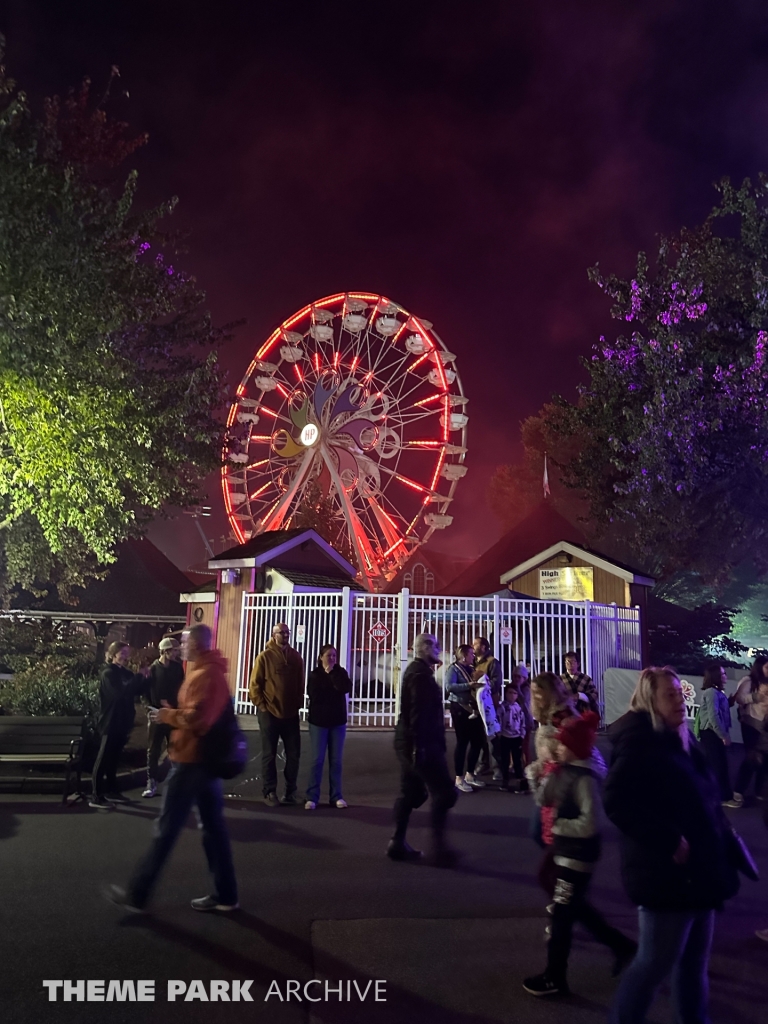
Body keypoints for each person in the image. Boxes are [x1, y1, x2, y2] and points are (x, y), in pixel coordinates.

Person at [604, 666, 739, 1024]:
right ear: (650, 700)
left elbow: (702, 797)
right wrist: (668, 840)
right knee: (652, 966)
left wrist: (722, 835)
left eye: (681, 693)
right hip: (666, 874)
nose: (680, 700)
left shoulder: (681, 740)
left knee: (693, 966)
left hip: (699, 872)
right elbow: (617, 801)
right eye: (670, 695)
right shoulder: (640, 744)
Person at [105, 624, 239, 913]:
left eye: (185, 642)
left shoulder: (206, 674)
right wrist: (173, 711)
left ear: (198, 645)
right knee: (213, 829)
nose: (181, 646)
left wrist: (167, 714)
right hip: (201, 761)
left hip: (192, 761)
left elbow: (199, 719)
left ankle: (137, 894)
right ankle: (226, 895)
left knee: (166, 829)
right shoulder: (203, 670)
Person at [523, 711, 637, 998]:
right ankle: (623, 947)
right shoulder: (566, 772)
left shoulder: (585, 779)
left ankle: (555, 976)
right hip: (566, 853)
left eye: (562, 744)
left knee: (563, 914)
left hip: (577, 856)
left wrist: (560, 825)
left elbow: (590, 823)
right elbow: (543, 799)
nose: (557, 747)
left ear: (575, 748)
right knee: (575, 908)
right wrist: (541, 777)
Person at [388, 633, 458, 867]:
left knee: (412, 792)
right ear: (425, 648)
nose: (439, 649)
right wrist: (420, 748)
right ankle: (439, 848)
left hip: (412, 744)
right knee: (445, 793)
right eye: (435, 646)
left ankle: (397, 842)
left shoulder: (418, 672)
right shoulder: (419, 675)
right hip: (422, 745)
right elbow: (418, 714)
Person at [526, 672, 578, 896]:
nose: (536, 697)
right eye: (533, 693)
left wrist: (553, 759)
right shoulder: (549, 716)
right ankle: (567, 894)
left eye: (540, 692)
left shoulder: (563, 717)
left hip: (563, 790)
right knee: (540, 834)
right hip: (550, 785)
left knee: (547, 839)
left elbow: (576, 752)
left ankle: (566, 899)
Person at [249, 622, 304, 806]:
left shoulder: (296, 657)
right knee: (269, 754)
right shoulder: (264, 657)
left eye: (287, 632)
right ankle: (269, 792)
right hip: (269, 713)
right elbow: (255, 685)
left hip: (290, 714)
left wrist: (297, 702)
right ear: (274, 635)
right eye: (282, 632)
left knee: (294, 754)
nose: (286, 635)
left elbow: (300, 683)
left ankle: (290, 792)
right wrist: (262, 706)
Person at [90, 642, 146, 810]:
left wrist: (145, 678)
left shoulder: (127, 673)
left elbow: (135, 691)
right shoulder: (108, 674)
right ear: (113, 654)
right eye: (122, 653)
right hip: (110, 720)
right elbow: (119, 694)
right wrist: (137, 678)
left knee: (114, 758)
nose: (125, 656)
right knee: (103, 757)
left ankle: (112, 790)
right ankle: (96, 795)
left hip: (124, 721)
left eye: (127, 653)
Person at [305, 644, 351, 810]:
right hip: (319, 722)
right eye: (328, 655)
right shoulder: (315, 674)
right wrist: (328, 682)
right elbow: (315, 695)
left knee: (336, 761)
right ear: (321, 657)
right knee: (317, 760)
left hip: (337, 722)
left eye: (334, 656)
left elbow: (344, 688)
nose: (331, 659)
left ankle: (336, 796)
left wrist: (332, 676)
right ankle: (312, 797)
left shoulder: (340, 673)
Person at [142, 636, 184, 798]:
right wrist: (149, 709)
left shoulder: (177, 668)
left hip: (173, 714)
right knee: (153, 750)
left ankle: (177, 783)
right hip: (157, 714)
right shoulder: (152, 670)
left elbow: (182, 689)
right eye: (174, 650)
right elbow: (144, 693)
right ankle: (151, 781)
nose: (176, 653)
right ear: (165, 651)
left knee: (175, 749)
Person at [697, 661, 740, 808]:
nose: (725, 676)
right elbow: (713, 716)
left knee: (718, 764)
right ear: (716, 676)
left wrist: (730, 701)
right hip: (711, 733)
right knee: (718, 765)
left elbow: (720, 710)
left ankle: (720, 795)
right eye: (722, 673)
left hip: (712, 732)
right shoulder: (711, 693)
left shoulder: (716, 692)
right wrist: (722, 735)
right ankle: (722, 798)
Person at [445, 644, 485, 792]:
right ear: (463, 656)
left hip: (472, 708)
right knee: (462, 742)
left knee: (477, 741)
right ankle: (458, 778)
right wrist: (468, 685)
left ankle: (470, 773)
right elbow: (450, 686)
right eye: (470, 654)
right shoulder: (453, 669)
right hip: (460, 708)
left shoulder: (470, 669)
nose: (473, 657)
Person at [733, 655, 768, 804]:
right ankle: (738, 791)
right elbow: (739, 698)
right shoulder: (748, 681)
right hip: (751, 725)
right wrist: (755, 697)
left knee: (765, 758)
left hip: (765, 724)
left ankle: (758, 790)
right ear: (759, 667)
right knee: (752, 758)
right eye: (767, 667)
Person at [473, 636, 504, 778]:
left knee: (492, 736)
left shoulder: (492, 663)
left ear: (484, 647)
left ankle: (497, 767)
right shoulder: (472, 662)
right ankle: (483, 764)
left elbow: (496, 682)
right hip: (476, 704)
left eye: (476, 644)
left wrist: (482, 687)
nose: (473, 646)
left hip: (490, 704)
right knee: (479, 736)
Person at [494, 682, 528, 791]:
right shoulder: (502, 708)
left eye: (515, 693)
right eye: (510, 693)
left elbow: (522, 722)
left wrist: (522, 734)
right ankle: (505, 780)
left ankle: (520, 780)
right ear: (506, 694)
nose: (512, 695)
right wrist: (498, 734)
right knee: (505, 760)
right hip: (505, 737)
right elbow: (498, 720)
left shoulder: (519, 708)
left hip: (516, 737)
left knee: (517, 760)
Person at [561, 651, 600, 717]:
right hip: (567, 715)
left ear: (578, 664)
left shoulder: (586, 678)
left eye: (573, 661)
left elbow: (594, 694)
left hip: (584, 714)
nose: (570, 663)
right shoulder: (560, 679)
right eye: (567, 661)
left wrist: (580, 696)